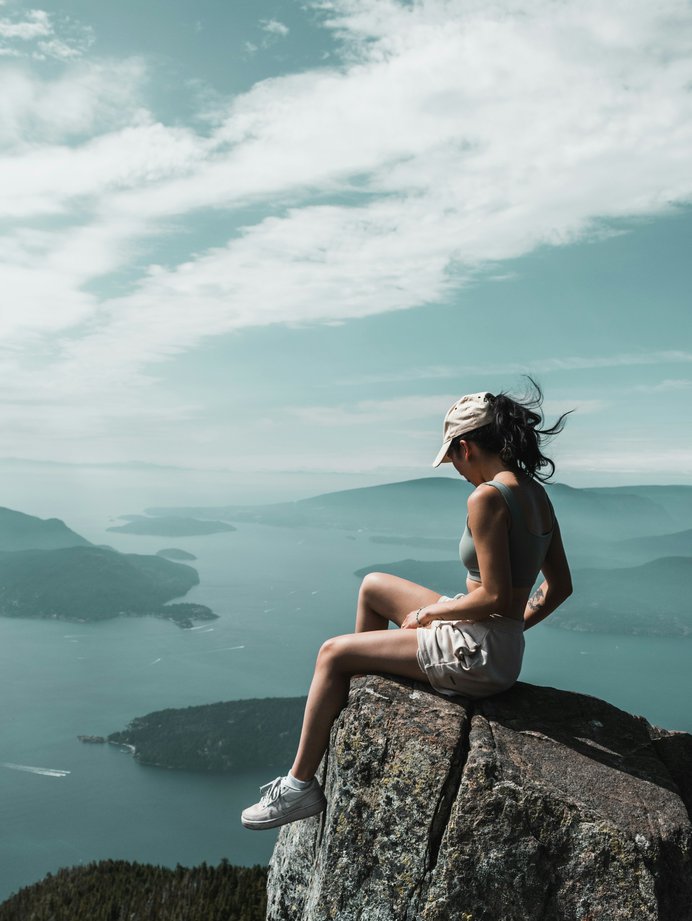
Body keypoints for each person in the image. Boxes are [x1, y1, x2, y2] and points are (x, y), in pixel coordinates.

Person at [241, 381, 573, 830]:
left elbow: (491, 595)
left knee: (332, 653)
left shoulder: (487, 497)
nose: (455, 468)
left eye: (452, 457)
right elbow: (558, 587)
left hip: (477, 649)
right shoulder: (536, 494)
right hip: (494, 643)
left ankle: (299, 787)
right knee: (374, 585)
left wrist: (432, 616)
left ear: (466, 447)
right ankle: (359, 691)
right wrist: (510, 631)